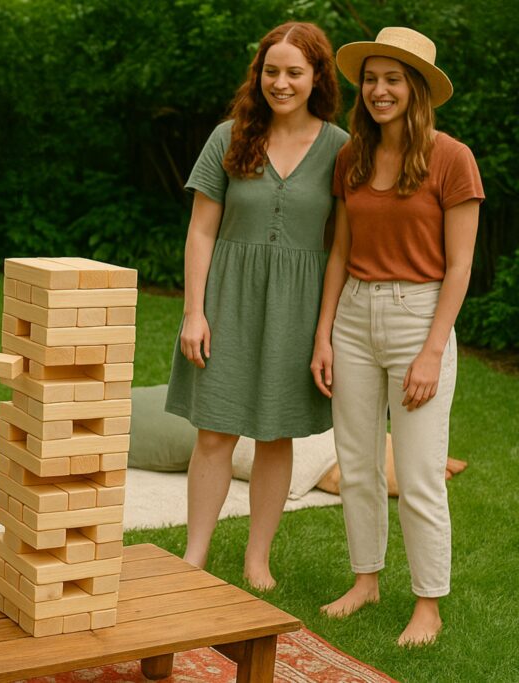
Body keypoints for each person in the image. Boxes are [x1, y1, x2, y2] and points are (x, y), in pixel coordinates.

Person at [311, 27, 483, 646]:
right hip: (353, 316)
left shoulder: (452, 158)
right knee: (357, 463)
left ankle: (428, 603)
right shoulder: (352, 157)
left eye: (393, 80)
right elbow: (340, 251)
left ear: (416, 89)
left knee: (417, 473)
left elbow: (460, 266)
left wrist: (432, 351)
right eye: (371, 79)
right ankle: (365, 580)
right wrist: (324, 335)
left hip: (420, 317)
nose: (379, 91)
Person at [166, 22, 347, 590]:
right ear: (258, 74)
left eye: (294, 72)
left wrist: (324, 333)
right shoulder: (229, 135)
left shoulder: (341, 147)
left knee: (275, 434)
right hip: (226, 300)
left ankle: (257, 560)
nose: (281, 83)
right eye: (271, 71)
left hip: (298, 307)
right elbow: (200, 231)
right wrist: (194, 312)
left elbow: (340, 248)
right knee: (214, 433)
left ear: (316, 77)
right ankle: (195, 554)